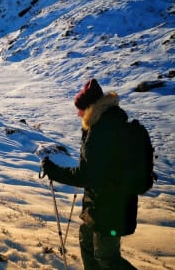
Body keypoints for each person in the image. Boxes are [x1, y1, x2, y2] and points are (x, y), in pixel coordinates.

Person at [41, 78, 137, 269]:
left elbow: (86, 175)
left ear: (91, 107)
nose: (77, 114)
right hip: (99, 203)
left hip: (111, 206)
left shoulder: (102, 130)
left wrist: (54, 171)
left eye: (80, 109)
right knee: (87, 242)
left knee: (106, 257)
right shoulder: (105, 122)